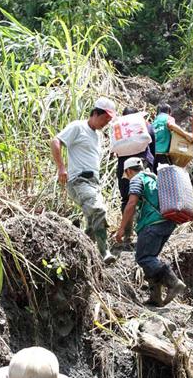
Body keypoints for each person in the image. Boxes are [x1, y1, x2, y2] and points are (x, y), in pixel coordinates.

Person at [51, 97, 117, 264]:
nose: (106, 123)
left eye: (109, 121)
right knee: (99, 210)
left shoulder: (98, 136)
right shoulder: (77, 127)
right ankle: (104, 252)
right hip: (79, 181)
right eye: (105, 119)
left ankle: (81, 248)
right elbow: (55, 141)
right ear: (95, 113)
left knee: (92, 222)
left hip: (93, 183)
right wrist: (61, 168)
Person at [115, 157, 186, 306]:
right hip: (168, 222)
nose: (127, 178)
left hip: (152, 223)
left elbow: (132, 203)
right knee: (151, 258)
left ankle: (173, 282)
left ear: (128, 171)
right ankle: (155, 297)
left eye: (126, 175)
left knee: (144, 257)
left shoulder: (136, 179)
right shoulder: (152, 177)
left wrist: (122, 228)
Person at [116, 107, 156, 242]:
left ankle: (127, 235)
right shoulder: (145, 125)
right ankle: (146, 232)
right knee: (147, 198)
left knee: (126, 199)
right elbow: (153, 146)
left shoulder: (119, 127)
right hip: (143, 164)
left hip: (125, 168)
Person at [152, 103, 193, 173]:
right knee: (167, 177)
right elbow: (171, 125)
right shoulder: (167, 117)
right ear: (169, 112)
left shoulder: (154, 122)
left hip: (154, 155)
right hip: (163, 153)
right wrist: (186, 134)